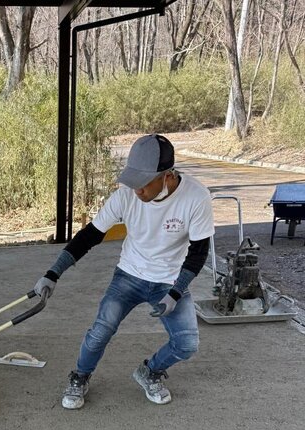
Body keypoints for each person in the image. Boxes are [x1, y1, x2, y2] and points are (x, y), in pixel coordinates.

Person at [34, 133, 214, 408]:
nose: (137, 190)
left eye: (143, 183)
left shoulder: (196, 197)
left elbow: (199, 252)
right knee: (100, 332)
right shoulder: (126, 196)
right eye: (132, 182)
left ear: (166, 176)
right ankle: (80, 376)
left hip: (169, 281)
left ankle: (150, 371)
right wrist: (53, 273)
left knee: (187, 343)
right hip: (129, 275)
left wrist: (176, 293)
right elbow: (89, 236)